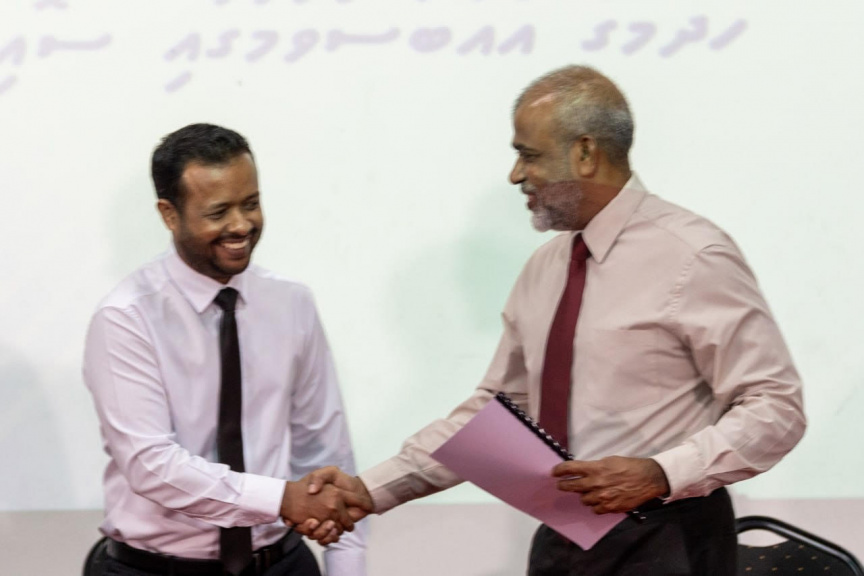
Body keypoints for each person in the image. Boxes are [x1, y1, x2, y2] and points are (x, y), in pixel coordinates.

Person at [300, 66, 807, 575]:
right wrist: (370, 489)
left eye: (529, 155)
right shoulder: (545, 268)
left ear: (585, 153)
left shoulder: (693, 255)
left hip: (669, 539)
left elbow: (776, 405)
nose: (516, 175)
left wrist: (660, 473)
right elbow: (499, 416)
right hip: (562, 540)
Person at [83, 123, 370, 576]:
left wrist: (346, 565)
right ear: (169, 214)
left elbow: (325, 451)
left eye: (251, 203)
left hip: (282, 563)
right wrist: (280, 499)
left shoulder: (291, 302)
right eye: (218, 212)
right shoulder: (125, 317)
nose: (241, 225)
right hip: (155, 569)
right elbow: (151, 465)